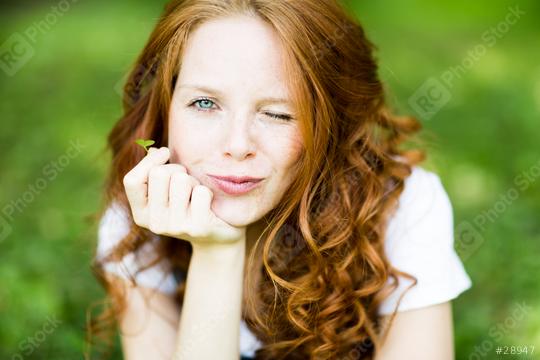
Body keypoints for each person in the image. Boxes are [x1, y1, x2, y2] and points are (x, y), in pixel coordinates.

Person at [86, 1, 472, 359]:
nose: (237, 146)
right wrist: (216, 253)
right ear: (165, 107)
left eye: (278, 114)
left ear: (330, 125)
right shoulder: (140, 217)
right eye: (204, 103)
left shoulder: (402, 205)